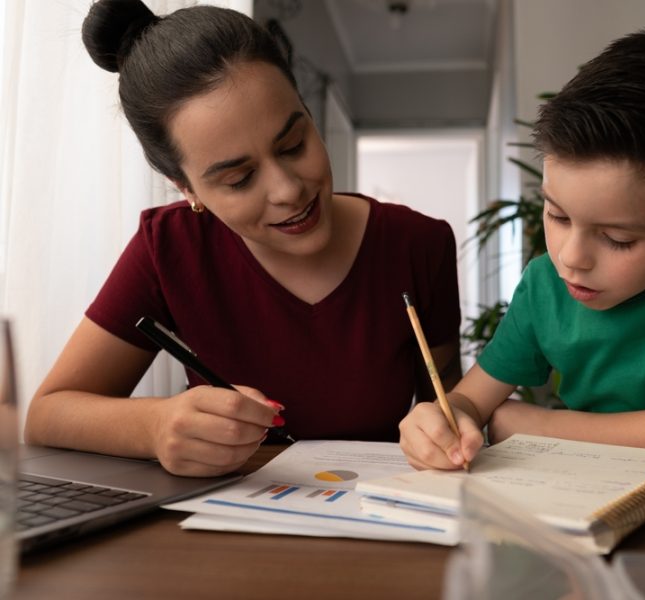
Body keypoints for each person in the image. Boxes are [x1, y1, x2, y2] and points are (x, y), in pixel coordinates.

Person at [24, 0, 462, 477]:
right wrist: (155, 425)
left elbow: (450, 406)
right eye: (238, 179)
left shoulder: (419, 245)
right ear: (186, 187)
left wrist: (446, 428)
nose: (288, 190)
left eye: (294, 144)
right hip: (219, 541)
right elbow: (46, 415)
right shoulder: (169, 247)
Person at [399, 28, 645, 474]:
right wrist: (441, 420)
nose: (571, 257)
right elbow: (470, 400)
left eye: (618, 239)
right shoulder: (545, 284)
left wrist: (527, 424)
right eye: (557, 215)